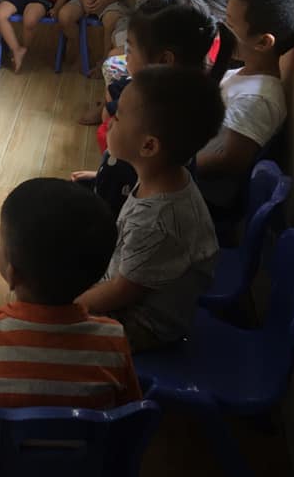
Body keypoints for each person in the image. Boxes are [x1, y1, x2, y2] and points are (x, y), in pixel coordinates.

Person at [0, 178, 141, 408]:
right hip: (82, 433)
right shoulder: (113, 339)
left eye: (0, 241)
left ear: (12, 274)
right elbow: (129, 406)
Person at [76, 66, 225, 351]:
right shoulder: (164, 176)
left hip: (143, 323)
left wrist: (69, 309)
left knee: (49, 329)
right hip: (126, 281)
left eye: (118, 117)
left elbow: (122, 292)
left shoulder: (156, 220)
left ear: (148, 146)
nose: (109, 121)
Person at [72, 0, 234, 217]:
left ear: (164, 60)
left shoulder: (154, 118)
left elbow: (120, 211)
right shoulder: (181, 104)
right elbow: (139, 174)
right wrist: (101, 176)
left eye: (130, 49)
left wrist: (111, 178)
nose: (110, 122)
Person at [197, 0, 294, 210]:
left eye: (230, 25)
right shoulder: (243, 74)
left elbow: (230, 160)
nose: (222, 30)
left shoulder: (258, 98)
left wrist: (175, 161)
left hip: (203, 193)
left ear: (263, 42)